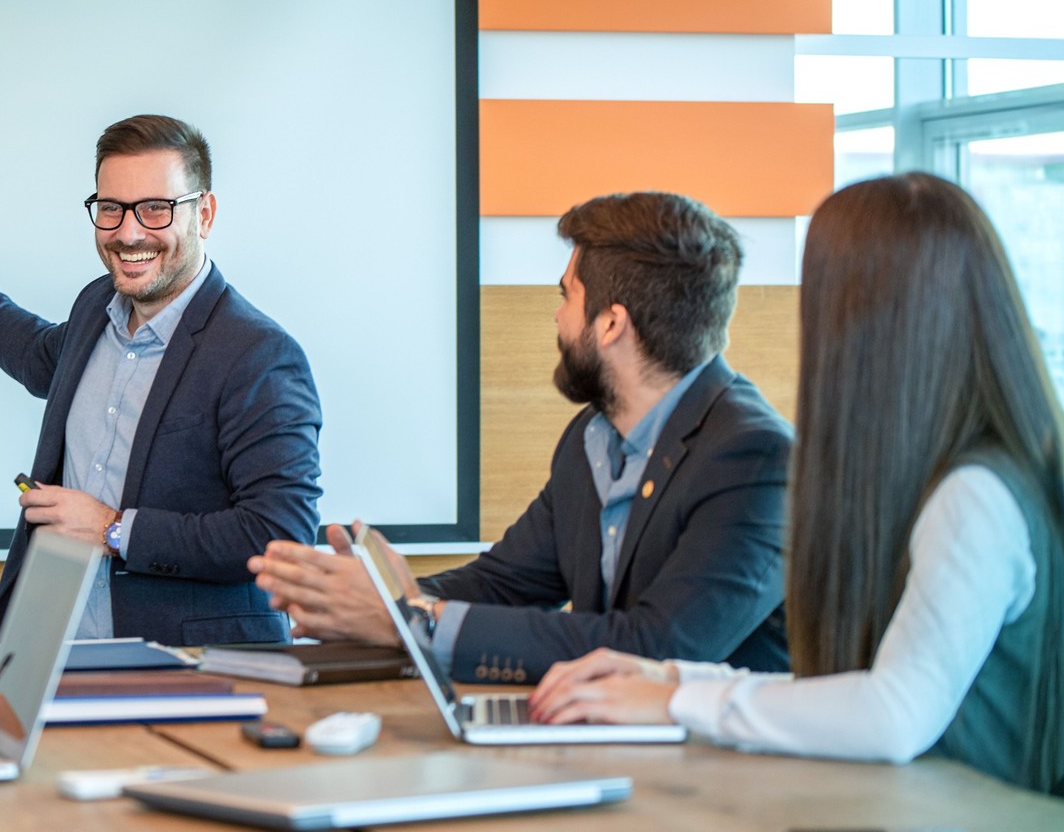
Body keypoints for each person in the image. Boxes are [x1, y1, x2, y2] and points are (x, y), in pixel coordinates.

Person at [531, 175, 1064, 799]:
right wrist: (672, 681)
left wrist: (677, 701)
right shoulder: (952, 476)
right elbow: (849, 692)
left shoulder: (975, 495)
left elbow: (894, 713)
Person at [252, 191, 791, 685]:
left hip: (713, 756)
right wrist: (382, 599)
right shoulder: (593, 436)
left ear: (611, 324)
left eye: (567, 296)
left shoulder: (758, 459)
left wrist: (415, 619)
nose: (557, 317)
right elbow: (506, 583)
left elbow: (654, 648)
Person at [0, 113, 321, 646]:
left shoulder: (258, 355)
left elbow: (279, 536)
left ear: (203, 214)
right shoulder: (96, 306)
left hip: (190, 671)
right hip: (53, 653)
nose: (128, 233)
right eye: (111, 208)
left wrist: (114, 529)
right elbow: (33, 353)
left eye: (155, 208)